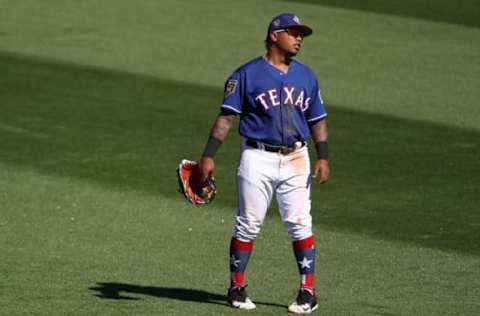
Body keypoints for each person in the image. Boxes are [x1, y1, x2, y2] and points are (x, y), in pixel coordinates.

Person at [197, 13, 330, 314]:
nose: (299, 39)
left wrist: (323, 156)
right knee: (248, 224)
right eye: (293, 33)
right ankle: (236, 287)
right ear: (274, 35)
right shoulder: (245, 75)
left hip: (297, 157)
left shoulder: (307, 76)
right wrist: (208, 154)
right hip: (257, 157)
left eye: (301, 35)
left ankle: (307, 292)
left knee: (300, 224)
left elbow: (318, 119)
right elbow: (226, 118)